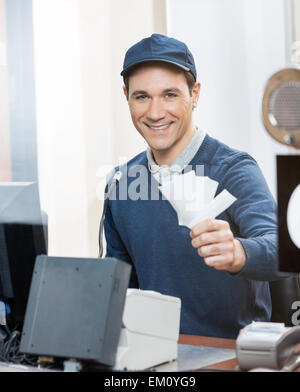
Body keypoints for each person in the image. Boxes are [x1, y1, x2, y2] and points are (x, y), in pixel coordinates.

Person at [104, 33, 281, 339]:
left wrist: (239, 253)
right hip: (152, 357)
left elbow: (282, 249)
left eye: (170, 95)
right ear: (126, 97)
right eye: (142, 96)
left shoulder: (234, 168)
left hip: (229, 357)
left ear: (195, 94)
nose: (155, 112)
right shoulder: (122, 183)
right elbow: (118, 288)